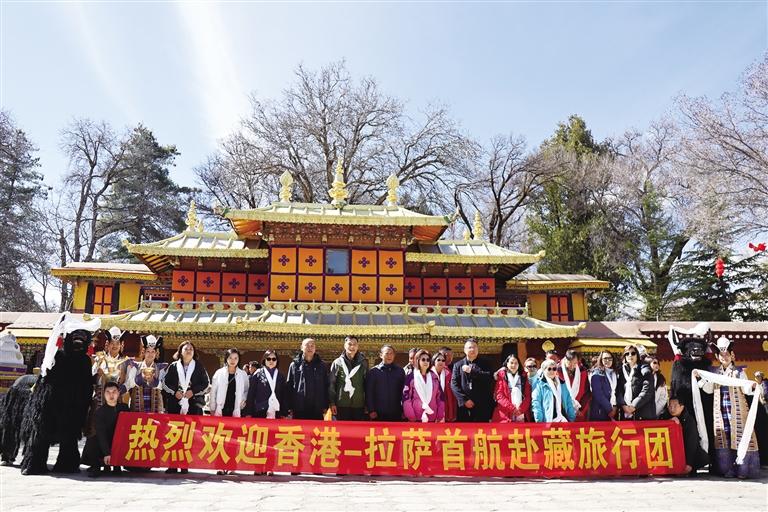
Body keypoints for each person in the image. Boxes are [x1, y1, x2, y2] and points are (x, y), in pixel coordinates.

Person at [693, 337, 760, 478]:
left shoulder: (739, 372)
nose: (724, 357)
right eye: (721, 355)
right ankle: (727, 469)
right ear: (717, 357)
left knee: (739, 438)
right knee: (725, 439)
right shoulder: (714, 373)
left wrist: (752, 386)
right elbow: (709, 389)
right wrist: (699, 378)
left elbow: (745, 388)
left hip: (738, 411)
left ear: (732, 355)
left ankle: (742, 470)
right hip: (721, 412)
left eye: (727, 354)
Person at [161, 341, 210, 474]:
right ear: (180, 351)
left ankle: (184, 464)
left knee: (188, 436)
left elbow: (206, 384)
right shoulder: (173, 366)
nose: (188, 351)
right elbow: (165, 383)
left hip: (192, 405)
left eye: (191, 349)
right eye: (186, 349)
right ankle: (172, 464)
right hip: (175, 405)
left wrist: (193, 391)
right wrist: (174, 392)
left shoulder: (199, 366)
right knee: (173, 434)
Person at [81, 381, 129, 477]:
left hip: (119, 442)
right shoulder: (100, 412)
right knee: (92, 440)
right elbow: (101, 435)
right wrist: (107, 453)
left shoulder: (124, 408)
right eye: (108, 392)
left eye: (114, 392)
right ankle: (96, 467)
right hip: (105, 443)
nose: (111, 395)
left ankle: (117, 466)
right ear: (104, 394)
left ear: (118, 393)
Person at [659, 397, 708, 475]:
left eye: (675, 406)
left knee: (702, 457)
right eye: (670, 406)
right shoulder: (664, 417)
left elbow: (691, 443)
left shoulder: (689, 420)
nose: (672, 409)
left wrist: (689, 463)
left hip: (686, 450)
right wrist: (668, 422)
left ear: (682, 407)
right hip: (671, 451)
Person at [450, 338, 494, 422]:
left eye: (475, 347)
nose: (472, 349)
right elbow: (454, 384)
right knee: (464, 428)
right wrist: (464, 400)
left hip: (482, 404)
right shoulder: (458, 365)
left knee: (481, 429)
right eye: (470, 347)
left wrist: (472, 371)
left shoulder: (486, 363)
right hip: (464, 405)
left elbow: (489, 377)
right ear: (464, 350)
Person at [121, 335, 167, 413]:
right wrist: (140, 378)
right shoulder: (135, 366)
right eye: (148, 351)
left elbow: (162, 386)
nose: (150, 354)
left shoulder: (160, 368)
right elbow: (129, 384)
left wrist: (153, 381)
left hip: (156, 407)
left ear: (156, 353)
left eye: (153, 352)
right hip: (137, 407)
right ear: (143, 352)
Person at [286, 338, 329, 420]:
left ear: (315, 348)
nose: (310, 348)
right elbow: (289, 385)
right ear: (302, 347)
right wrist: (289, 406)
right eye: (307, 345)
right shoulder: (294, 365)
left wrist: (325, 405)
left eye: (312, 346)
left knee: (316, 428)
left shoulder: (321, 365)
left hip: (317, 407)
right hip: (299, 407)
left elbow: (326, 385)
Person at [328, 336, 368, 421]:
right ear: (344, 345)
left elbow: (367, 384)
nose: (352, 347)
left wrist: (367, 404)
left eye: (354, 344)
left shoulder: (363, 363)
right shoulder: (337, 363)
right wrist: (332, 403)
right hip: (341, 404)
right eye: (349, 344)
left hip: (359, 404)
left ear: (357, 346)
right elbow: (331, 384)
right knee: (341, 428)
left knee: (357, 429)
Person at [403, 350, 445, 423]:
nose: (426, 362)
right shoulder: (411, 377)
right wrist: (411, 416)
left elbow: (440, 397)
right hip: (415, 418)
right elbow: (406, 397)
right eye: (423, 359)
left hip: (432, 416)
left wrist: (440, 415)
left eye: (428, 360)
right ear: (417, 361)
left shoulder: (434, 377)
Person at [365, 345, 405, 421]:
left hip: (396, 411)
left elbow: (403, 391)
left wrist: (404, 409)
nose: (389, 356)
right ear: (381, 355)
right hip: (378, 413)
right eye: (386, 353)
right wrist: (371, 409)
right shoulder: (373, 372)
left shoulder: (400, 371)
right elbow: (369, 392)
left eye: (391, 353)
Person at [615, 344, 655, 420]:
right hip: (625, 413)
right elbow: (618, 390)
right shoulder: (621, 371)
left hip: (642, 414)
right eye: (627, 354)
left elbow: (647, 391)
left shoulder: (644, 369)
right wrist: (623, 405)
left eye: (633, 353)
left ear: (637, 355)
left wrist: (633, 406)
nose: (630, 355)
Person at [245, 350, 287, 418]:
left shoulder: (280, 376)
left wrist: (284, 413)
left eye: (274, 359)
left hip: (277, 411)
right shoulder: (258, 374)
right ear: (264, 360)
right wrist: (249, 412)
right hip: (260, 410)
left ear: (277, 361)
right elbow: (251, 394)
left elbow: (284, 395)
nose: (271, 361)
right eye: (268, 359)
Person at [210, 348, 250, 418]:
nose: (233, 360)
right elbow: (213, 391)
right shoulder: (219, 373)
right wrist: (212, 408)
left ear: (238, 359)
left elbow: (246, 390)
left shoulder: (242, 374)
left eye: (235, 358)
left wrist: (243, 400)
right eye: (230, 358)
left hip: (236, 407)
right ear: (226, 358)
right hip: (221, 407)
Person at [492, 354, 531, 423]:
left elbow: (528, 396)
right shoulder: (502, 376)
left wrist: (521, 409)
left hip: (521, 412)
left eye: (516, 363)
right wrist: (512, 408)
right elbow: (499, 395)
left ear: (518, 364)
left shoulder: (524, 376)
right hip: (505, 413)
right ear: (507, 364)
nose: (513, 365)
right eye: (511, 363)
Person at [558, 350, 590, 421]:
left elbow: (587, 392)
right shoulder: (557, 370)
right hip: (562, 410)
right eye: (569, 363)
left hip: (579, 409)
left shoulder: (582, 371)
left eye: (575, 363)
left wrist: (581, 409)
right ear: (565, 359)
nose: (572, 366)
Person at [588, 350, 617, 421]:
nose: (608, 360)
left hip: (613, 410)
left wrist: (615, 406)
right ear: (601, 360)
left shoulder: (614, 373)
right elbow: (598, 394)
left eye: (610, 358)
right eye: (605, 358)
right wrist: (610, 409)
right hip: (600, 411)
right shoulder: (596, 373)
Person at [432, 352, 456, 422]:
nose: (441, 362)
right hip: (431, 404)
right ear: (433, 361)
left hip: (444, 404)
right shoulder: (428, 373)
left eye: (443, 360)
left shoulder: (448, 373)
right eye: (438, 360)